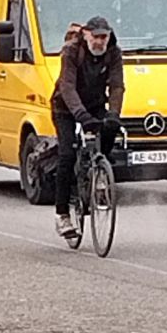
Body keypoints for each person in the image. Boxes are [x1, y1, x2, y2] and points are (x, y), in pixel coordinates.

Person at [51, 16, 125, 238]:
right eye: (96, 36)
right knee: (66, 156)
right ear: (86, 34)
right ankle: (62, 215)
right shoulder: (72, 51)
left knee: (111, 127)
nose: (100, 41)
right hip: (65, 107)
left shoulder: (113, 52)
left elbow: (117, 86)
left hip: (94, 104)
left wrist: (113, 114)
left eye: (104, 36)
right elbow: (67, 87)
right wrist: (81, 116)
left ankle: (100, 172)